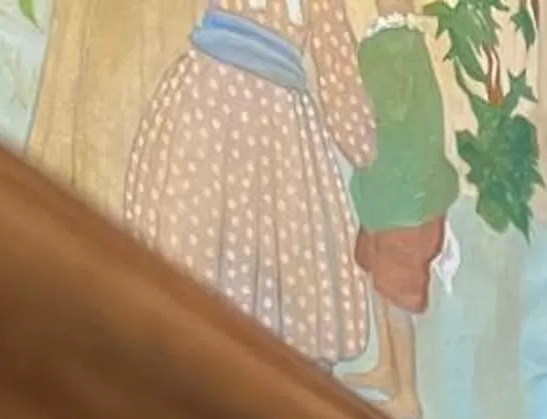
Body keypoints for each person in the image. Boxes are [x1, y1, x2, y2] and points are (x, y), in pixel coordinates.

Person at [119, 0, 377, 368]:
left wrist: (372, 155)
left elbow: (339, 79)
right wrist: (372, 155)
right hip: (216, 114)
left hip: (246, 121)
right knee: (196, 260)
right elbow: (339, 81)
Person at [343, 11, 460, 419]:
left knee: (395, 295)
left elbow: (388, 107)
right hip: (387, 192)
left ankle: (408, 395)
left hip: (407, 201)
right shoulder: (392, 39)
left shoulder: (397, 44)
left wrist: (357, 104)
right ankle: (387, 369)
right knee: (379, 279)